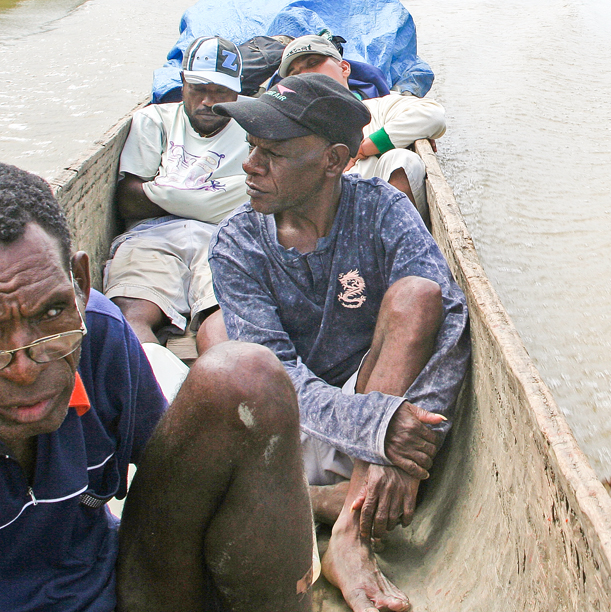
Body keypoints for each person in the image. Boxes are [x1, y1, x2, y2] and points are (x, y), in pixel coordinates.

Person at [0, 163, 319, 612]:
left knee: (247, 376)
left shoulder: (99, 334)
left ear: (81, 282)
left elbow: (172, 478)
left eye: (52, 314)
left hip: (110, 586)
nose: (24, 367)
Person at [209, 75, 470, 611]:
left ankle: (347, 534)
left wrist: (403, 447)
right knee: (227, 353)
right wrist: (381, 428)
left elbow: (451, 318)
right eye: (251, 148)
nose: (249, 166)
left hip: (373, 426)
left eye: (272, 153)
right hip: (284, 434)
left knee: (420, 295)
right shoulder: (236, 243)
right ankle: (328, 499)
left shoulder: (380, 209)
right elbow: (279, 376)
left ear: (333, 161)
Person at [103, 36, 246, 365]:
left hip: (224, 235)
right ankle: (152, 394)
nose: (208, 101)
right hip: (151, 233)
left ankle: (218, 392)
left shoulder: (253, 125)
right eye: (198, 88)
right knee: (132, 309)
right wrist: (220, 194)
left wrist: (164, 189)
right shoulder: (155, 121)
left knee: (225, 313)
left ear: (237, 91)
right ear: (182, 83)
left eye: (220, 92)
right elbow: (129, 201)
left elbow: (266, 193)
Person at [277, 34, 445, 218]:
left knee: (402, 158)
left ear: (344, 68)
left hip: (377, 224)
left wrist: (363, 149)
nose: (304, 75)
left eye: (312, 63)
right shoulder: (288, 130)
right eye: (294, 74)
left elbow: (433, 116)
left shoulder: (377, 108)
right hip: (318, 230)